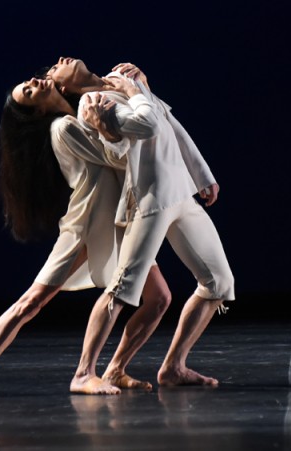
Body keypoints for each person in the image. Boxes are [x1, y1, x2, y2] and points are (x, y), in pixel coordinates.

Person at [0, 71, 175, 399]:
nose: (34, 83)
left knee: (159, 299)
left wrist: (135, 90)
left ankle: (115, 368)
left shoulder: (85, 110)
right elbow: (117, 157)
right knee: (31, 302)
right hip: (86, 226)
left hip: (117, 220)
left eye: (28, 82)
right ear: (39, 111)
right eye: (29, 93)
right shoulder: (63, 127)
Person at [46, 57, 235, 390]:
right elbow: (145, 127)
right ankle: (83, 373)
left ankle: (172, 367)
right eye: (53, 68)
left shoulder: (122, 75)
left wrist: (202, 173)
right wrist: (134, 92)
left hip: (181, 194)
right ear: (64, 86)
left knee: (218, 283)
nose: (59, 60)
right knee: (123, 289)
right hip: (149, 199)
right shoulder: (90, 104)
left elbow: (168, 122)